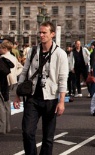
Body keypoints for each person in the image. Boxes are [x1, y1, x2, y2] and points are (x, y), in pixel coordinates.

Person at [13, 21, 68, 155]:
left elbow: (62, 79)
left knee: (48, 137)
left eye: (44, 33)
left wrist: (61, 101)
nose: (41, 35)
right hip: (32, 97)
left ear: (52, 34)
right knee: (27, 131)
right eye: (40, 32)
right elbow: (24, 72)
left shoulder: (60, 54)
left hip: (50, 99)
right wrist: (17, 95)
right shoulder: (33, 51)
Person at [0, 40, 20, 134]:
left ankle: (2, 128)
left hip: (4, 81)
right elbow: (21, 67)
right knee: (7, 103)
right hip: (12, 81)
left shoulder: (2, 58)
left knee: (2, 104)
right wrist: (15, 75)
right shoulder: (13, 57)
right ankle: (8, 126)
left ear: (4, 49)